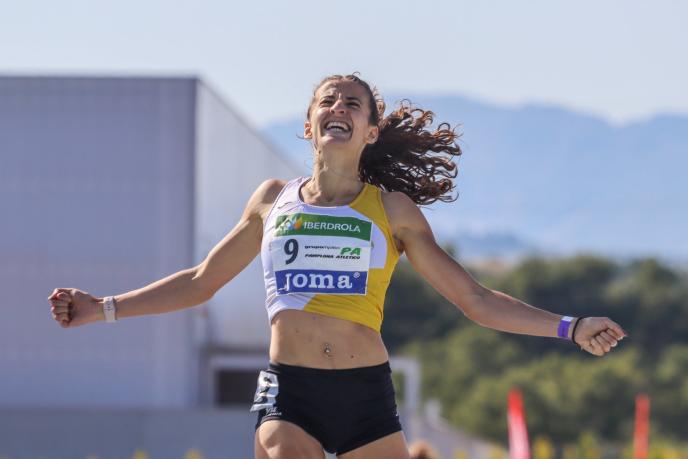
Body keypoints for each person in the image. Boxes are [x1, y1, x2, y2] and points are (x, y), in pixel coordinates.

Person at [48, 73, 627, 459]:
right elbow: (202, 282)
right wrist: (102, 308)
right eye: (328, 99)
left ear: (370, 131)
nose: (339, 107)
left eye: (353, 103)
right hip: (288, 391)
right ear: (309, 126)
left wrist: (569, 327)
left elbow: (473, 300)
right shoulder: (272, 200)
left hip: (364, 395)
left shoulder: (394, 211)